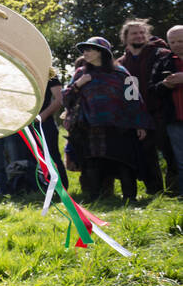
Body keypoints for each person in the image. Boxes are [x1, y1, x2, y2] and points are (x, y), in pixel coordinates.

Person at [63, 37, 151, 204]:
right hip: (90, 127)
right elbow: (66, 99)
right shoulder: (80, 73)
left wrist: (140, 123)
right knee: (92, 164)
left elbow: (134, 99)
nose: (85, 53)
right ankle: (95, 199)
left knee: (126, 164)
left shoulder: (121, 72)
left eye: (90, 49)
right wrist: (79, 84)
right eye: (84, 50)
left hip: (120, 127)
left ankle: (130, 200)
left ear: (102, 52)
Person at [118, 18, 174, 195]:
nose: (139, 36)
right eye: (134, 33)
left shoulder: (162, 54)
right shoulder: (121, 63)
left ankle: (175, 192)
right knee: (146, 154)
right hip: (138, 116)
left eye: (142, 32)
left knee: (170, 152)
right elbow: (126, 94)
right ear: (126, 37)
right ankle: (155, 191)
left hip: (162, 111)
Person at [149, 25, 183, 189]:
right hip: (174, 119)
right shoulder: (163, 62)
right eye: (173, 41)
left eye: (181, 40)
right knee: (181, 161)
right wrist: (165, 85)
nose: (177, 44)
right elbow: (152, 90)